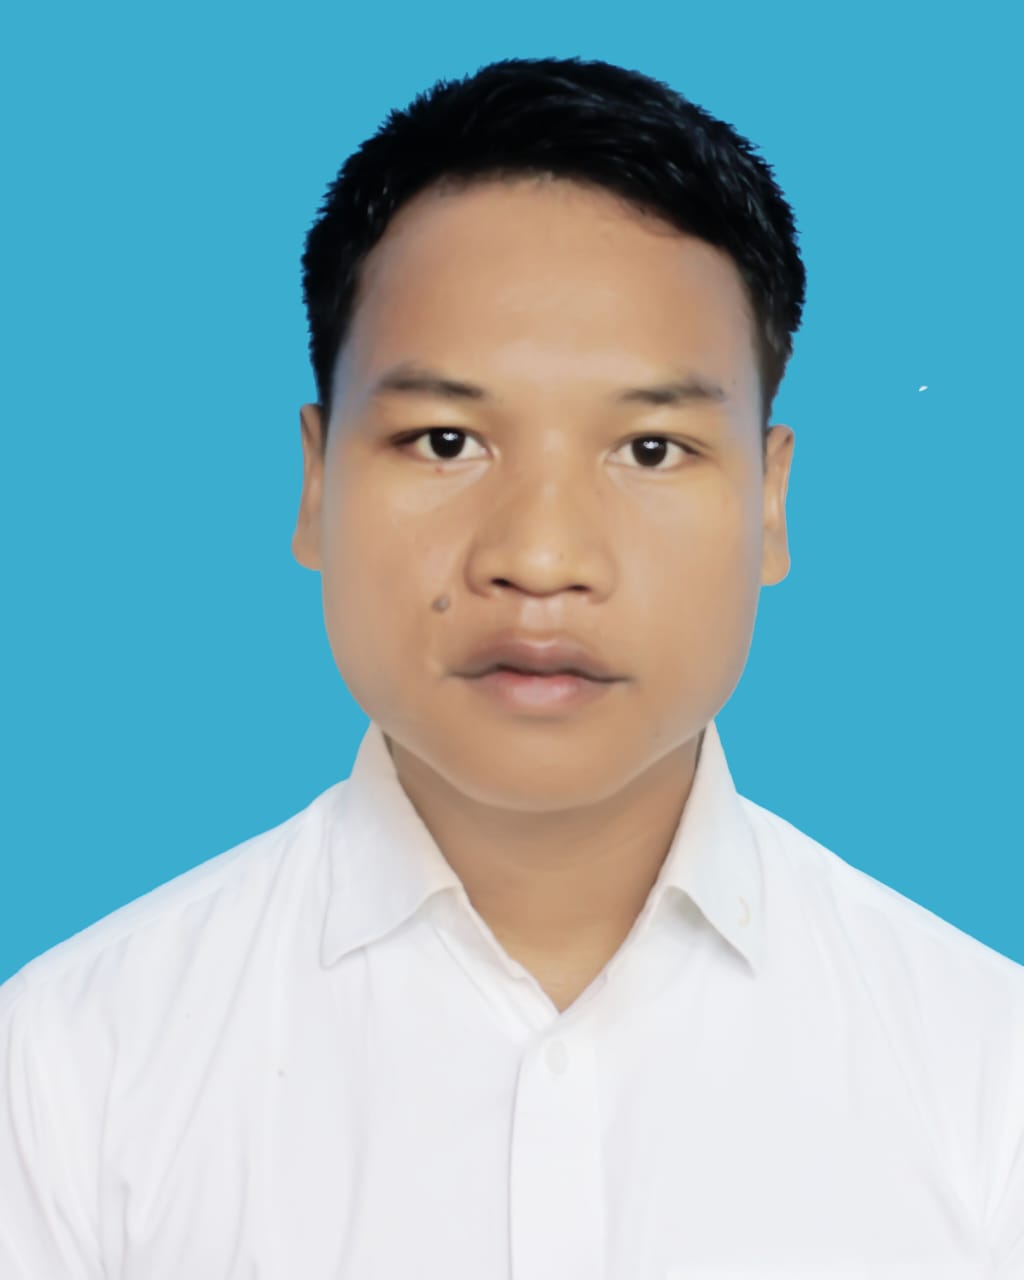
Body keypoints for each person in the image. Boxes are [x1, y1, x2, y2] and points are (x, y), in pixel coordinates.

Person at [1, 54, 1021, 1279]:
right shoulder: (70, 1072)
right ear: (316, 482)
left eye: (650, 448)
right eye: (446, 439)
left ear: (769, 501)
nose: (539, 559)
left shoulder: (985, 1078)